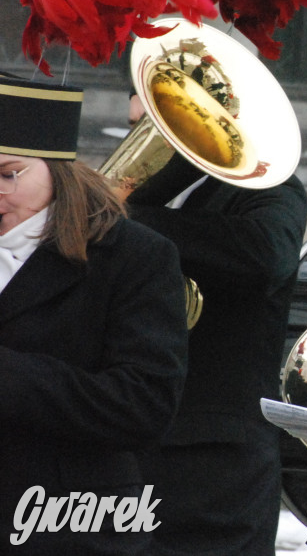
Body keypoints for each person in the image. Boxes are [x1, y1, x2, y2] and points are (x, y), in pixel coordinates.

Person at [125, 58, 307, 554]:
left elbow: (266, 255)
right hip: (131, 451)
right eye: (136, 126)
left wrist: (125, 222)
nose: (141, 143)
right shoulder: (144, 199)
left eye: (158, 126)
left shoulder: (267, 186)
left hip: (215, 470)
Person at [0, 75, 189, 555]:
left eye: (8, 174)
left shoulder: (132, 256)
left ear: (57, 168)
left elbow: (143, 406)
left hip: (68, 524)